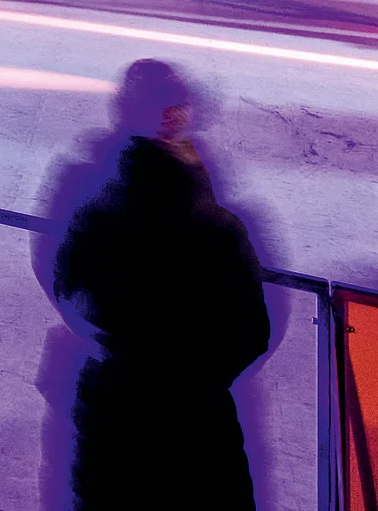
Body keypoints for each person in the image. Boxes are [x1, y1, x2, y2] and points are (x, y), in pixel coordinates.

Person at [51, 63, 270, 510]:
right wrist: (198, 379)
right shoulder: (217, 225)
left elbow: (64, 283)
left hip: (110, 413)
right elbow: (253, 331)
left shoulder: (90, 201)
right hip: (196, 425)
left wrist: (109, 347)